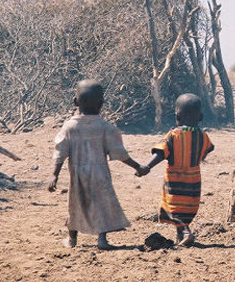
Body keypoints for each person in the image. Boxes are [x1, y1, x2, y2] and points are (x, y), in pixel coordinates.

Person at [48, 80, 146, 250]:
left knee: (75, 205)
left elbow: (60, 151)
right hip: (100, 175)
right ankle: (102, 240)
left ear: (75, 102)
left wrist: (54, 175)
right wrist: (137, 166)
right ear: (101, 104)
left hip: (78, 175)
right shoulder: (105, 127)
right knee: (101, 205)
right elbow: (120, 153)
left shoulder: (69, 127)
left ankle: (72, 240)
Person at [140, 93, 214, 246]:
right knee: (186, 209)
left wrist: (147, 167)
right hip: (194, 180)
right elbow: (208, 149)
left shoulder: (173, 135)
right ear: (200, 117)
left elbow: (161, 153)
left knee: (174, 208)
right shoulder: (203, 136)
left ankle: (186, 232)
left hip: (175, 180)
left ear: (177, 116)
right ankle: (180, 237)